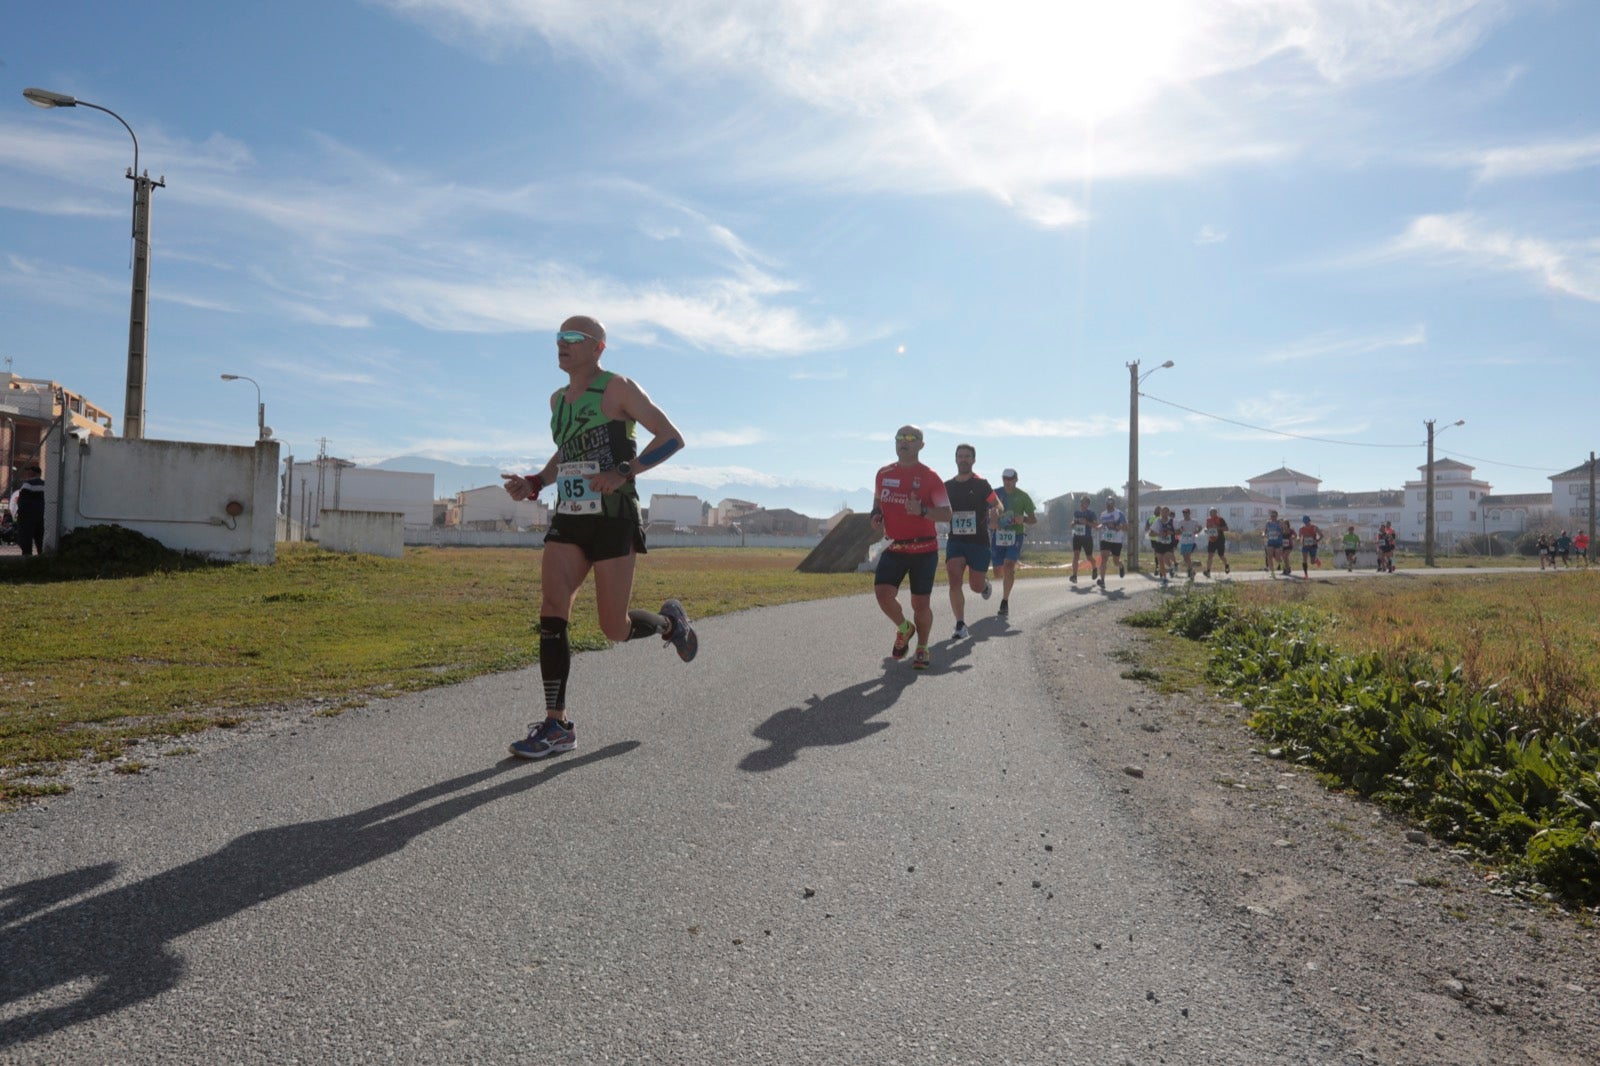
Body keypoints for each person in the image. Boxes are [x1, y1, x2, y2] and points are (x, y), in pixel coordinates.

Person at [500, 316, 698, 760]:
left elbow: (671, 438)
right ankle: (557, 724)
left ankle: (670, 624)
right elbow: (566, 453)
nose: (562, 345)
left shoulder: (618, 388)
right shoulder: (557, 400)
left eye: (573, 339)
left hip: (613, 517)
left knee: (614, 627)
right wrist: (535, 482)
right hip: (570, 517)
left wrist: (624, 471)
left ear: (598, 348)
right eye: (558, 339)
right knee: (553, 610)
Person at [873, 425, 952, 668]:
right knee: (883, 595)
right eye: (899, 437)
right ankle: (905, 628)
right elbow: (877, 502)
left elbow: (947, 514)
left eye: (910, 438)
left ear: (921, 445)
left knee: (920, 604)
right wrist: (876, 515)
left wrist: (923, 511)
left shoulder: (930, 477)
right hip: (894, 548)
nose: (903, 441)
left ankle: (922, 646)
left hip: (923, 550)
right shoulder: (883, 473)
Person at [943, 443, 997, 639]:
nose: (963, 459)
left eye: (967, 456)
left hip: (979, 542)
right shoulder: (947, 486)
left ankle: (984, 585)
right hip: (956, 540)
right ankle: (960, 624)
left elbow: (996, 502)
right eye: (960, 456)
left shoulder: (981, 484)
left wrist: (995, 512)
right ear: (955, 459)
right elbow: (937, 506)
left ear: (973, 460)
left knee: (975, 586)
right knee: (954, 579)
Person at [990, 468, 1037, 618]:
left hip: (1015, 535)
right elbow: (985, 512)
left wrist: (1022, 519)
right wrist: (993, 518)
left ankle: (1004, 601)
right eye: (1005, 479)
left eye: (1011, 479)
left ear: (1016, 480)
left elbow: (1033, 519)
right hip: (997, 535)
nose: (1008, 482)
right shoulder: (995, 494)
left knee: (1009, 564)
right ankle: (1006, 575)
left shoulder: (1023, 497)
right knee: (998, 571)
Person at [1095, 495, 1127, 591]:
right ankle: (1102, 580)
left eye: (1111, 504)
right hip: (1105, 539)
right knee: (1103, 559)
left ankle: (1121, 566)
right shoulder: (1103, 514)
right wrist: (1099, 527)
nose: (1109, 506)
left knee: (1116, 562)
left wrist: (1119, 527)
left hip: (1116, 541)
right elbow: (1104, 524)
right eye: (1108, 504)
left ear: (1114, 504)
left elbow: (1126, 527)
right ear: (1106, 504)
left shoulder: (1119, 514)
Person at [13, 464, 45, 557]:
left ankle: (27, 561)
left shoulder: (28, 484)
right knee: (40, 540)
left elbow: (22, 502)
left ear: (33, 473)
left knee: (26, 540)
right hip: (41, 516)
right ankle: (41, 559)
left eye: (28, 471)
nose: (26, 473)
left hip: (28, 517)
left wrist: (20, 515)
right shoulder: (45, 484)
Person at [1068, 495, 1099, 585]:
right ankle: (1074, 576)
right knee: (1076, 555)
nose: (1082, 503)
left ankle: (1094, 567)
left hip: (1087, 538)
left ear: (1088, 504)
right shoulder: (1076, 512)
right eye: (1081, 501)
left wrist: (1087, 522)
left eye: (1084, 502)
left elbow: (1096, 526)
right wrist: (1073, 523)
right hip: (1077, 537)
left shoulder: (1091, 513)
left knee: (1089, 557)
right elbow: (1072, 523)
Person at [1202, 507, 1231, 578]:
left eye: (1213, 512)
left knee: (1221, 555)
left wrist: (1217, 528)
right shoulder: (1208, 520)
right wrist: (1206, 530)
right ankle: (1208, 571)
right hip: (1211, 539)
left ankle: (1226, 565)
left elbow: (1226, 528)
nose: (1211, 514)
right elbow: (1207, 527)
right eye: (1210, 512)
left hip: (1220, 539)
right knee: (1210, 555)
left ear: (1216, 513)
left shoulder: (1220, 519)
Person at [1263, 510, 1287, 579]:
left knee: (1277, 558)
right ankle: (1272, 573)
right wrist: (1263, 534)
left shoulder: (1279, 523)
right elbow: (1265, 531)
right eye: (1271, 516)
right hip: (1270, 542)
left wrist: (1282, 528)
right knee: (1269, 557)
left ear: (1276, 516)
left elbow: (1285, 530)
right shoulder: (1268, 523)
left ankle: (1282, 563)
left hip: (1278, 543)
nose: (1272, 517)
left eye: (1274, 516)